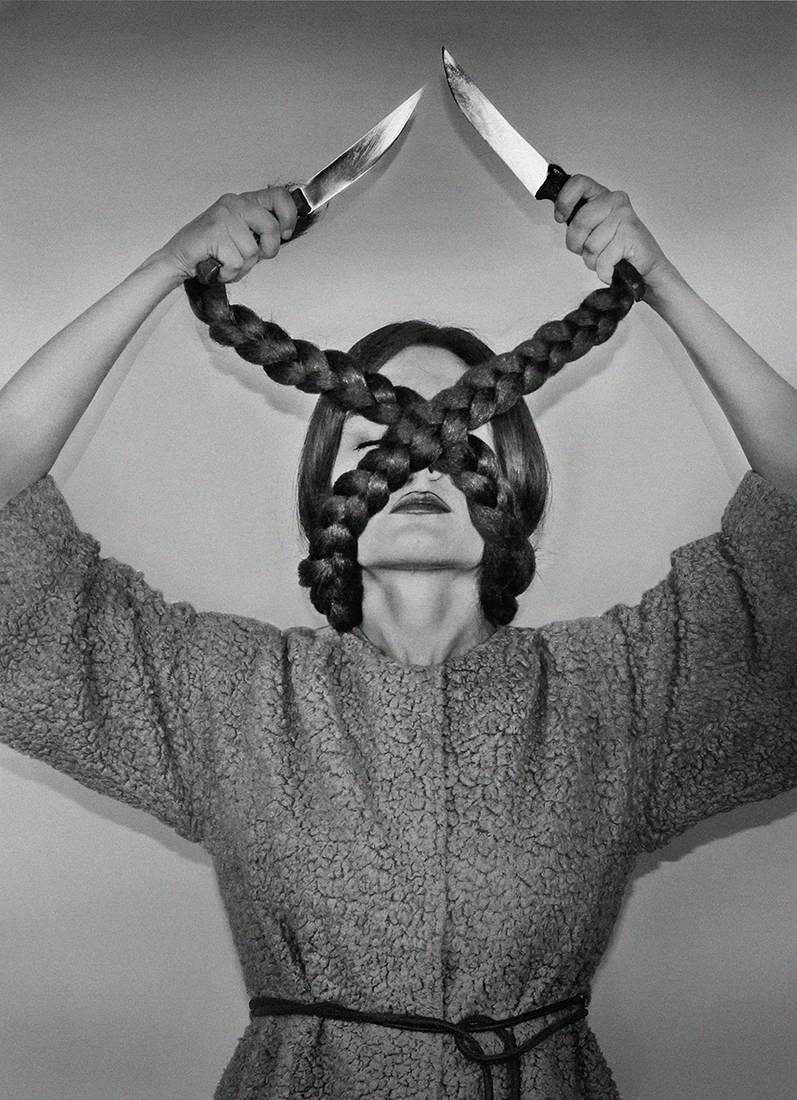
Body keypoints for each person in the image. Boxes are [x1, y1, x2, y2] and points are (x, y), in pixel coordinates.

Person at [1, 178, 796, 1100]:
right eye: (376, 441)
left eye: (457, 437)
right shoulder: (229, 698)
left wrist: (661, 282)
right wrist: (164, 267)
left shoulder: (616, 692)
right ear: (322, 500)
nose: (417, 463)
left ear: (517, 484)